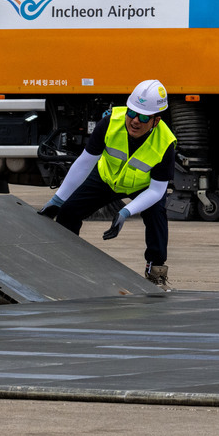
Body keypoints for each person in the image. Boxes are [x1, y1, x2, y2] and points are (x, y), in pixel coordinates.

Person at [38, 80, 176, 288]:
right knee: (67, 212)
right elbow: (84, 163)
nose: (135, 121)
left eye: (144, 117)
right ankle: (67, 264)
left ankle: (155, 270)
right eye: (132, 113)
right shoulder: (110, 123)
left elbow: (157, 190)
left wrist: (125, 212)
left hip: (143, 187)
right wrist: (58, 199)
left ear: (156, 121)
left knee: (157, 216)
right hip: (106, 177)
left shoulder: (165, 143)